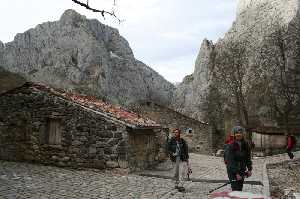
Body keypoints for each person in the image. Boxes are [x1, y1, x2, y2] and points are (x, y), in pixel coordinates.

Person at [224, 126, 252, 191]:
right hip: (232, 171)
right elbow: (230, 161)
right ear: (234, 134)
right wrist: (236, 173)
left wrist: (249, 169)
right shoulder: (231, 145)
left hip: (242, 170)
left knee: (239, 188)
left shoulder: (246, 144)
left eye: (240, 133)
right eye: (237, 133)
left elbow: (248, 158)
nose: (238, 134)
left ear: (243, 134)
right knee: (235, 189)